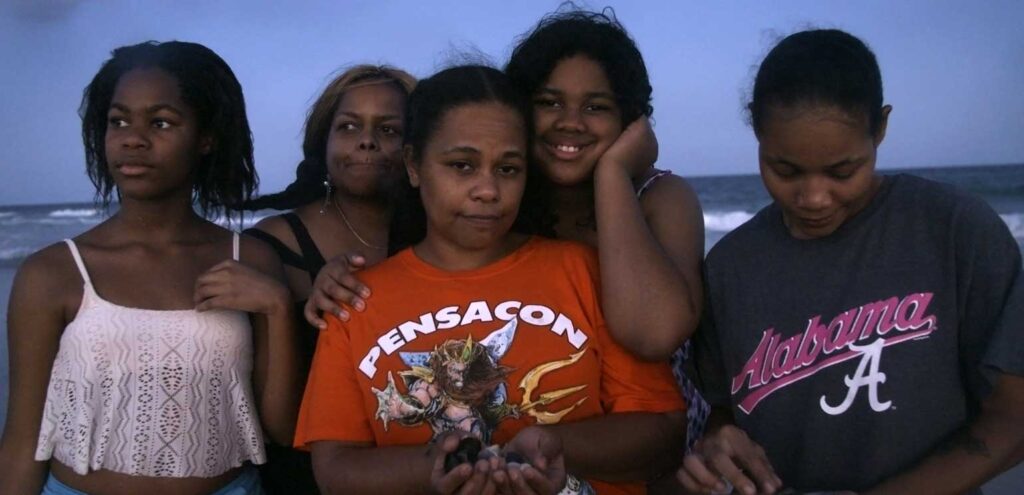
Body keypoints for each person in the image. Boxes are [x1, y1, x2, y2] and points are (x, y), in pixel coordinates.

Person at [303, 7, 710, 454]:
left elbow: (654, 334)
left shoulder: (655, 196)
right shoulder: (499, 204)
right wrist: (334, 278)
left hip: (662, 447)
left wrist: (613, 172)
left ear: (630, 120)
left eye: (597, 107)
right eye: (549, 102)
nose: (570, 121)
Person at [680, 29, 1024, 495]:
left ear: (880, 127)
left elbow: (1013, 416)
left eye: (843, 171)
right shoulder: (729, 268)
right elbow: (723, 410)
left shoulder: (955, 231)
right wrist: (718, 442)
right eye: (785, 170)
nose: (813, 197)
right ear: (758, 134)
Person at [0, 41, 300, 495]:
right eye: (118, 121)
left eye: (161, 122)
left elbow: (280, 428)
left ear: (206, 137)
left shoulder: (249, 260)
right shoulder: (53, 272)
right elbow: (22, 443)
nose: (132, 138)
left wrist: (279, 309)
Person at [239, 64, 415, 493]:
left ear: (418, 149)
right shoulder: (269, 245)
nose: (367, 140)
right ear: (324, 142)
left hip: (419, 471)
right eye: (348, 126)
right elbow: (274, 422)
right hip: (304, 479)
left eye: (389, 130)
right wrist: (288, 303)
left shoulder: (441, 234)